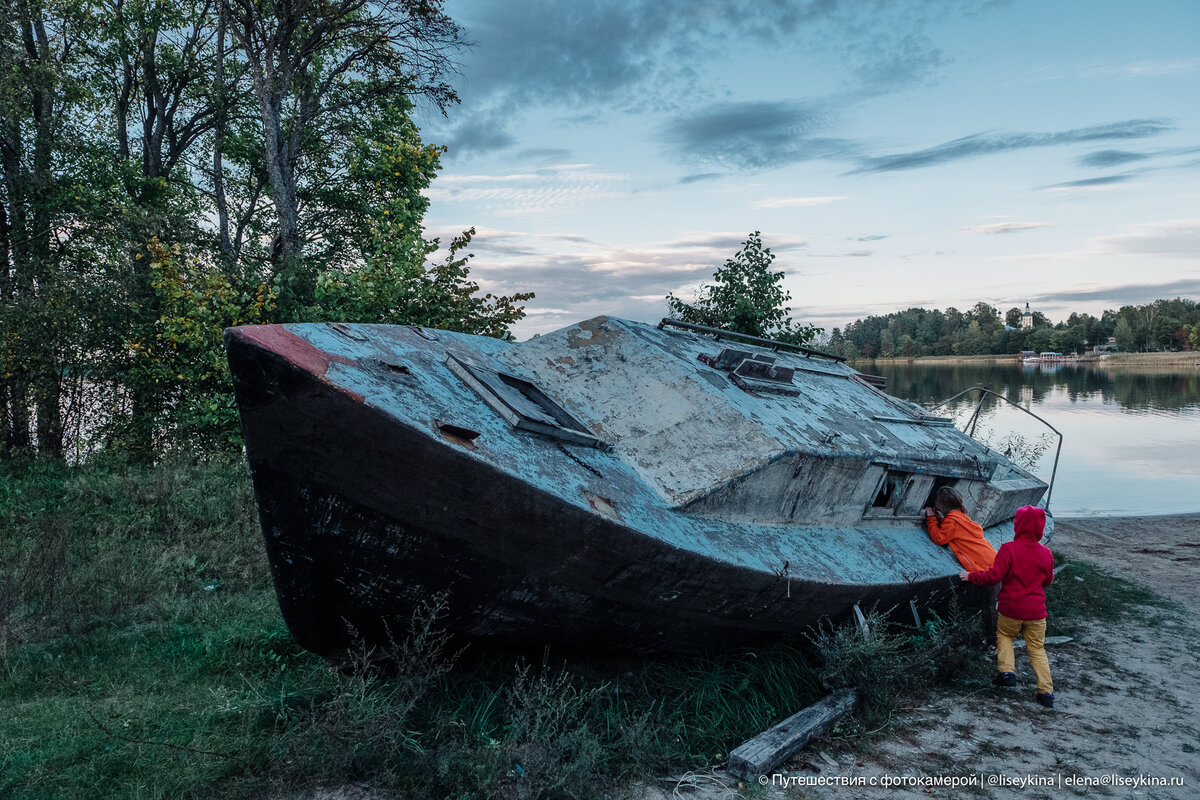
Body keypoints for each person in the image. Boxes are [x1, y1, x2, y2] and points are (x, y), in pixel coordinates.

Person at [959, 505, 1056, 708]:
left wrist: (971, 576)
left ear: (1018, 525)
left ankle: (1007, 673)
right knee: (1037, 649)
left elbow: (994, 576)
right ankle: (1046, 693)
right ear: (1041, 527)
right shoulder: (1046, 553)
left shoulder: (1008, 549)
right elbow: (1047, 580)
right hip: (1037, 612)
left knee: (1004, 637)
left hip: (1011, 608)